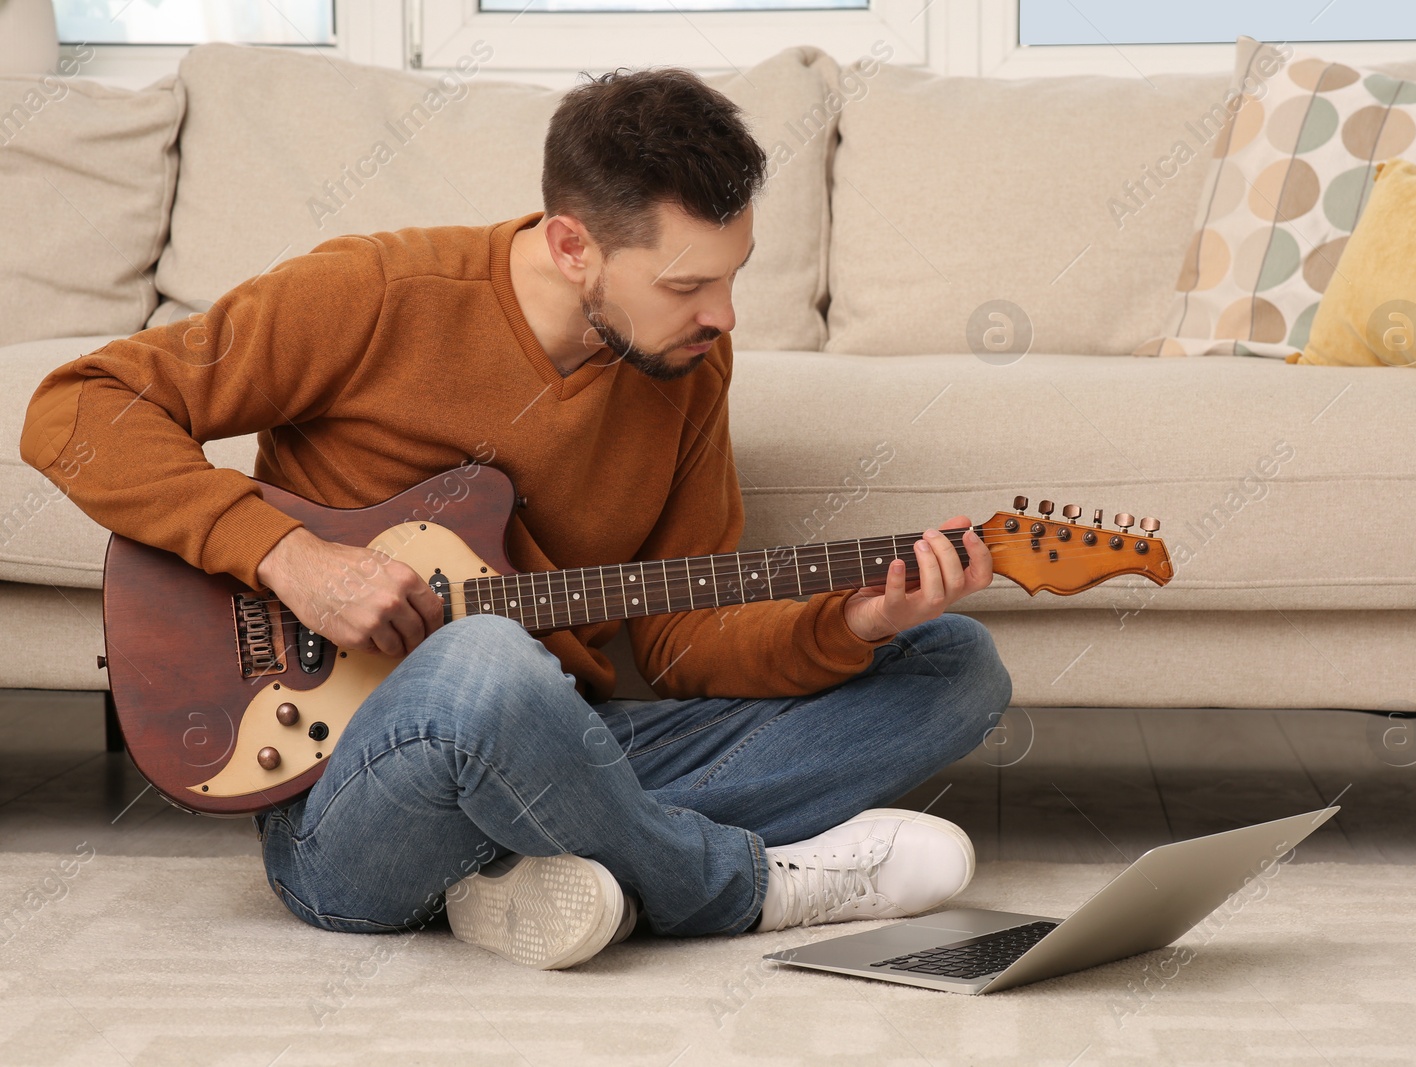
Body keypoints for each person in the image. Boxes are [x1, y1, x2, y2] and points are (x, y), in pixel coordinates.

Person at [19, 66, 1013, 969]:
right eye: (686, 283)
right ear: (573, 245)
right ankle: (739, 886)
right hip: (346, 807)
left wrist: (851, 624)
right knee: (489, 662)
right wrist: (287, 555)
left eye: (733, 273)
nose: (724, 315)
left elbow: (681, 643)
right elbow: (75, 407)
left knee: (953, 667)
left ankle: (528, 866)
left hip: (556, 736)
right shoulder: (374, 292)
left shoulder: (686, 365)